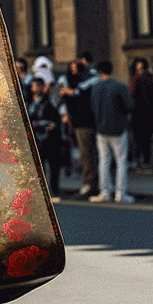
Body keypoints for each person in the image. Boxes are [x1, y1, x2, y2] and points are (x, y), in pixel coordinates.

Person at [90, 61, 136, 203]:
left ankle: (105, 192)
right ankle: (120, 194)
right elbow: (130, 105)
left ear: (99, 72)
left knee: (104, 161)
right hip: (118, 129)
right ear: (112, 70)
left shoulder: (95, 88)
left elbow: (92, 107)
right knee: (121, 161)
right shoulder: (119, 86)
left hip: (101, 129)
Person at [58, 50, 100, 198]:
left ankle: (90, 184)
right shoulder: (74, 82)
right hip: (79, 122)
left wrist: (71, 92)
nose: (74, 71)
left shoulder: (86, 82)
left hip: (85, 122)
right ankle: (91, 182)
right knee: (87, 154)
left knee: (87, 155)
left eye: (77, 68)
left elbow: (80, 93)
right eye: (72, 69)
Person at [27, 75, 62, 198]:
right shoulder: (29, 103)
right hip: (35, 138)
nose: (34, 88)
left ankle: (53, 190)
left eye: (36, 86)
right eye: (33, 86)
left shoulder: (48, 102)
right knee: (38, 166)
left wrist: (40, 124)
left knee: (53, 165)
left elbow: (54, 121)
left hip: (49, 139)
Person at [129, 57, 153, 170]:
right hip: (148, 111)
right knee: (146, 138)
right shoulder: (150, 77)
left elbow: (132, 94)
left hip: (139, 112)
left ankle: (141, 160)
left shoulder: (136, 78)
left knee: (139, 138)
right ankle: (145, 160)